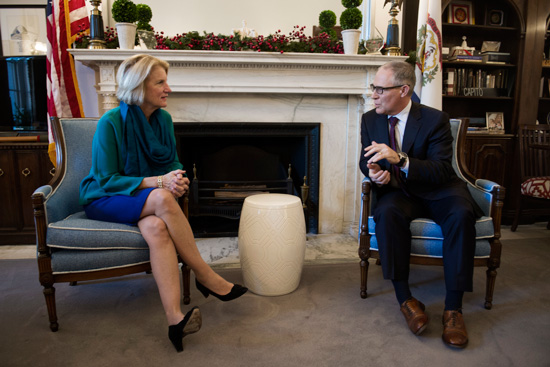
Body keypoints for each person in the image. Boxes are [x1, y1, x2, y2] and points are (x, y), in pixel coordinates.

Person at [79, 54, 248, 352]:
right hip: (106, 198)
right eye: (160, 82)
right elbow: (107, 179)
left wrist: (177, 179)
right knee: (161, 196)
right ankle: (205, 275)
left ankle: (175, 321)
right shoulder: (111, 122)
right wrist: (160, 183)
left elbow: (171, 163)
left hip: (148, 201)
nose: (168, 88)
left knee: (157, 227)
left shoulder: (163, 120)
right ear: (139, 86)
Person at [359, 61, 479, 349]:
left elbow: (439, 169)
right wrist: (374, 173)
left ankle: (453, 309)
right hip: (399, 191)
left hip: (440, 190)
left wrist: (400, 159)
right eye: (372, 88)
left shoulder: (435, 119)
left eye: (379, 89)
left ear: (404, 90)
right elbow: (366, 161)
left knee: (462, 215)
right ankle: (406, 299)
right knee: (386, 213)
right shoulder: (369, 119)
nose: (373, 95)